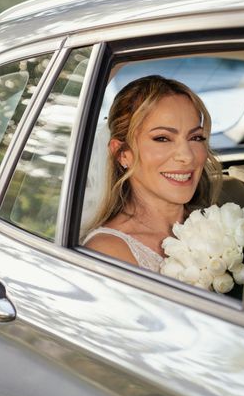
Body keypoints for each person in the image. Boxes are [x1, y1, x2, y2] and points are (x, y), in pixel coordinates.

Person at [83, 75, 222, 271]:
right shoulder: (108, 253)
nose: (187, 157)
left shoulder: (221, 228)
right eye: (163, 138)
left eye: (196, 137)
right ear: (122, 154)